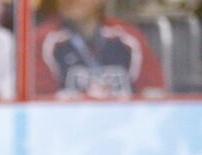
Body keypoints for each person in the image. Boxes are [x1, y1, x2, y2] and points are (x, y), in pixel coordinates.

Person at [35, 0, 166, 98]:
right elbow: (42, 102)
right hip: (70, 125)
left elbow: (154, 93)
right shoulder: (43, 41)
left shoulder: (129, 38)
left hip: (126, 124)